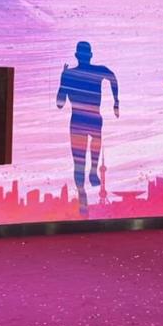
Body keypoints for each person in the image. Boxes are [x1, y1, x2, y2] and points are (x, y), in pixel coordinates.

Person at [56, 41, 119, 216]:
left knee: (79, 161)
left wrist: (63, 80)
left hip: (79, 119)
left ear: (77, 56)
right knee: (87, 151)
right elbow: (113, 78)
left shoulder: (71, 74)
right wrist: (116, 101)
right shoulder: (96, 71)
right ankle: (91, 174)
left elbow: (60, 103)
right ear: (90, 55)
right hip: (90, 118)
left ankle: (86, 182)